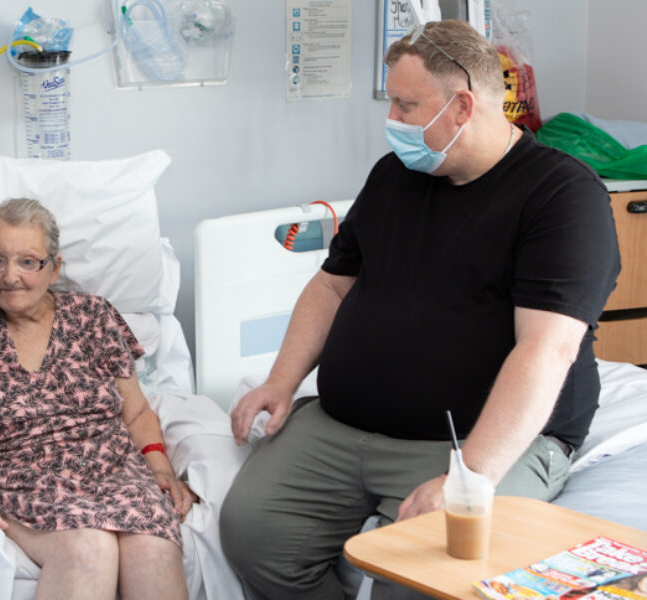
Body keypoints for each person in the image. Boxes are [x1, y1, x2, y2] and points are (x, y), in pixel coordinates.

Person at [219, 20, 620, 600]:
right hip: (342, 427)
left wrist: (472, 476)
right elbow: (332, 287)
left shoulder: (561, 197)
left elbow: (547, 348)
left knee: (420, 580)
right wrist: (282, 381)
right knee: (254, 536)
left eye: (407, 106)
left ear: (462, 106)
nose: (394, 123)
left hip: (473, 444)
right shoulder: (395, 177)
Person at [0, 198, 196, 600]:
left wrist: (159, 464)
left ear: (54, 268)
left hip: (114, 471)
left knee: (154, 545)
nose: (10, 276)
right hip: (24, 478)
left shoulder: (94, 315)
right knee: (89, 547)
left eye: (28, 262)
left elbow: (136, 409)